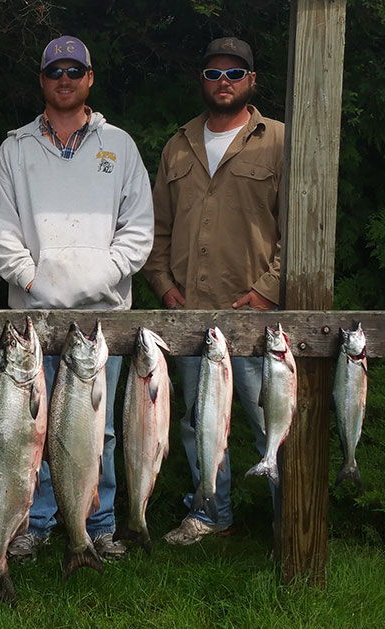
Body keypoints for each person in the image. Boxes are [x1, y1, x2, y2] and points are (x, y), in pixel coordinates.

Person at [0, 36, 154, 561]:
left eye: (74, 70)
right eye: (55, 70)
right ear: (42, 80)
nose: (65, 78)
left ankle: (97, 522)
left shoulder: (120, 146)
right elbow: (2, 233)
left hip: (99, 321)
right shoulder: (14, 150)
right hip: (32, 319)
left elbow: (139, 231)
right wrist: (34, 281)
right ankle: (31, 523)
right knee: (29, 430)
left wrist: (100, 276)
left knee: (97, 432)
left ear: (89, 78)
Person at [143, 37, 285, 545]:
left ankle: (289, 521)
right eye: (213, 72)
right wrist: (162, 284)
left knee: (274, 423)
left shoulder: (280, 140)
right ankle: (210, 514)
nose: (223, 81)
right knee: (195, 422)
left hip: (255, 317)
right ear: (200, 80)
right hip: (191, 317)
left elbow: (302, 227)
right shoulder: (177, 144)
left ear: (251, 80)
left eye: (234, 72)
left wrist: (268, 290)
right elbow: (157, 227)